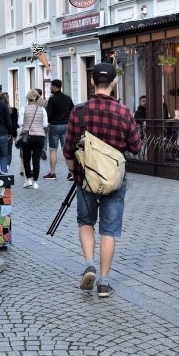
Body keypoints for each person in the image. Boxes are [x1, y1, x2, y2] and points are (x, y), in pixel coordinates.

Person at [62, 63, 142, 298]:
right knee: (109, 230)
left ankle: (89, 264)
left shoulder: (79, 111)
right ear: (114, 84)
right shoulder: (124, 112)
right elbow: (137, 147)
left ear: (92, 82)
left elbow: (68, 150)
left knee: (85, 222)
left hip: (86, 178)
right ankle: (104, 283)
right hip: (115, 181)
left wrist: (74, 172)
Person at [43, 79, 75, 180]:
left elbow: (48, 114)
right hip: (66, 125)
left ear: (54, 87)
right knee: (67, 150)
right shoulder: (68, 98)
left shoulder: (52, 99)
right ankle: (71, 173)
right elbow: (73, 111)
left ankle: (52, 173)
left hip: (55, 126)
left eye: (51, 86)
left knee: (53, 149)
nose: (50, 88)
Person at [19, 89, 48, 189]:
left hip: (28, 137)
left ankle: (28, 180)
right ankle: (36, 182)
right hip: (40, 137)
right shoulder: (42, 110)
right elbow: (45, 124)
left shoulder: (23, 109)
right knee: (36, 160)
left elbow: (20, 123)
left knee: (26, 159)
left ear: (28, 98)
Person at [0, 92, 19, 172]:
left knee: (1, 152)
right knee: (8, 152)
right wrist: (14, 135)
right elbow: (14, 124)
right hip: (9, 134)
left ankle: (2, 167)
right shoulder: (13, 110)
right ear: (8, 99)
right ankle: (7, 166)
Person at [35, 88, 49, 160]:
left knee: (36, 136)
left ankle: (37, 150)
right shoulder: (46, 102)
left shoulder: (33, 102)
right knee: (44, 137)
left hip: (35, 122)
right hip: (44, 121)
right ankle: (43, 149)